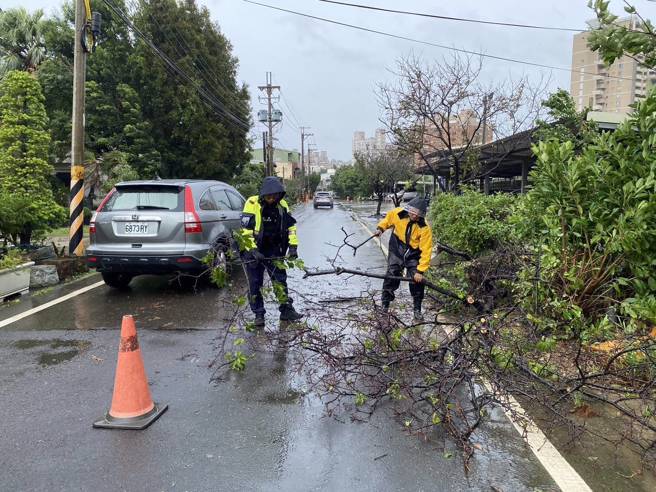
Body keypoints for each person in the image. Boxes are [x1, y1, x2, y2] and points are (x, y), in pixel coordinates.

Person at [240, 177, 303, 327]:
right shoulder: (252, 203)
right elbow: (245, 231)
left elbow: (291, 227)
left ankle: (286, 311)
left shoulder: (282, 205)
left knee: (280, 281)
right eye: (269, 196)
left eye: (275, 196)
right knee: (255, 283)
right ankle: (259, 314)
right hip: (255, 249)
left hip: (275, 249)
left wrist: (293, 247)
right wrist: (253, 250)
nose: (272, 199)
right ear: (263, 195)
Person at [374, 197, 433, 322]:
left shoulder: (424, 227)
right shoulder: (398, 213)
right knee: (391, 274)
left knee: (416, 281)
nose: (414, 216)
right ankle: (385, 306)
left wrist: (420, 271)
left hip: (413, 253)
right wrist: (381, 229)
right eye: (412, 212)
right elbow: (387, 220)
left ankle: (417, 310)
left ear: (421, 215)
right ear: (409, 209)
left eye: (417, 214)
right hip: (397, 246)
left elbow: (426, 251)